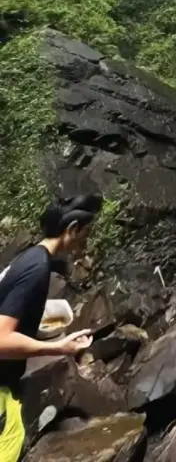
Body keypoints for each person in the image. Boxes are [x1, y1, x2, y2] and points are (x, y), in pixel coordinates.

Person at [0, 194, 102, 462]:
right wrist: (57, 347)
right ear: (71, 229)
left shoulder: (30, 257)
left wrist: (38, 327)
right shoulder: (38, 268)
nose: (86, 240)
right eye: (86, 233)